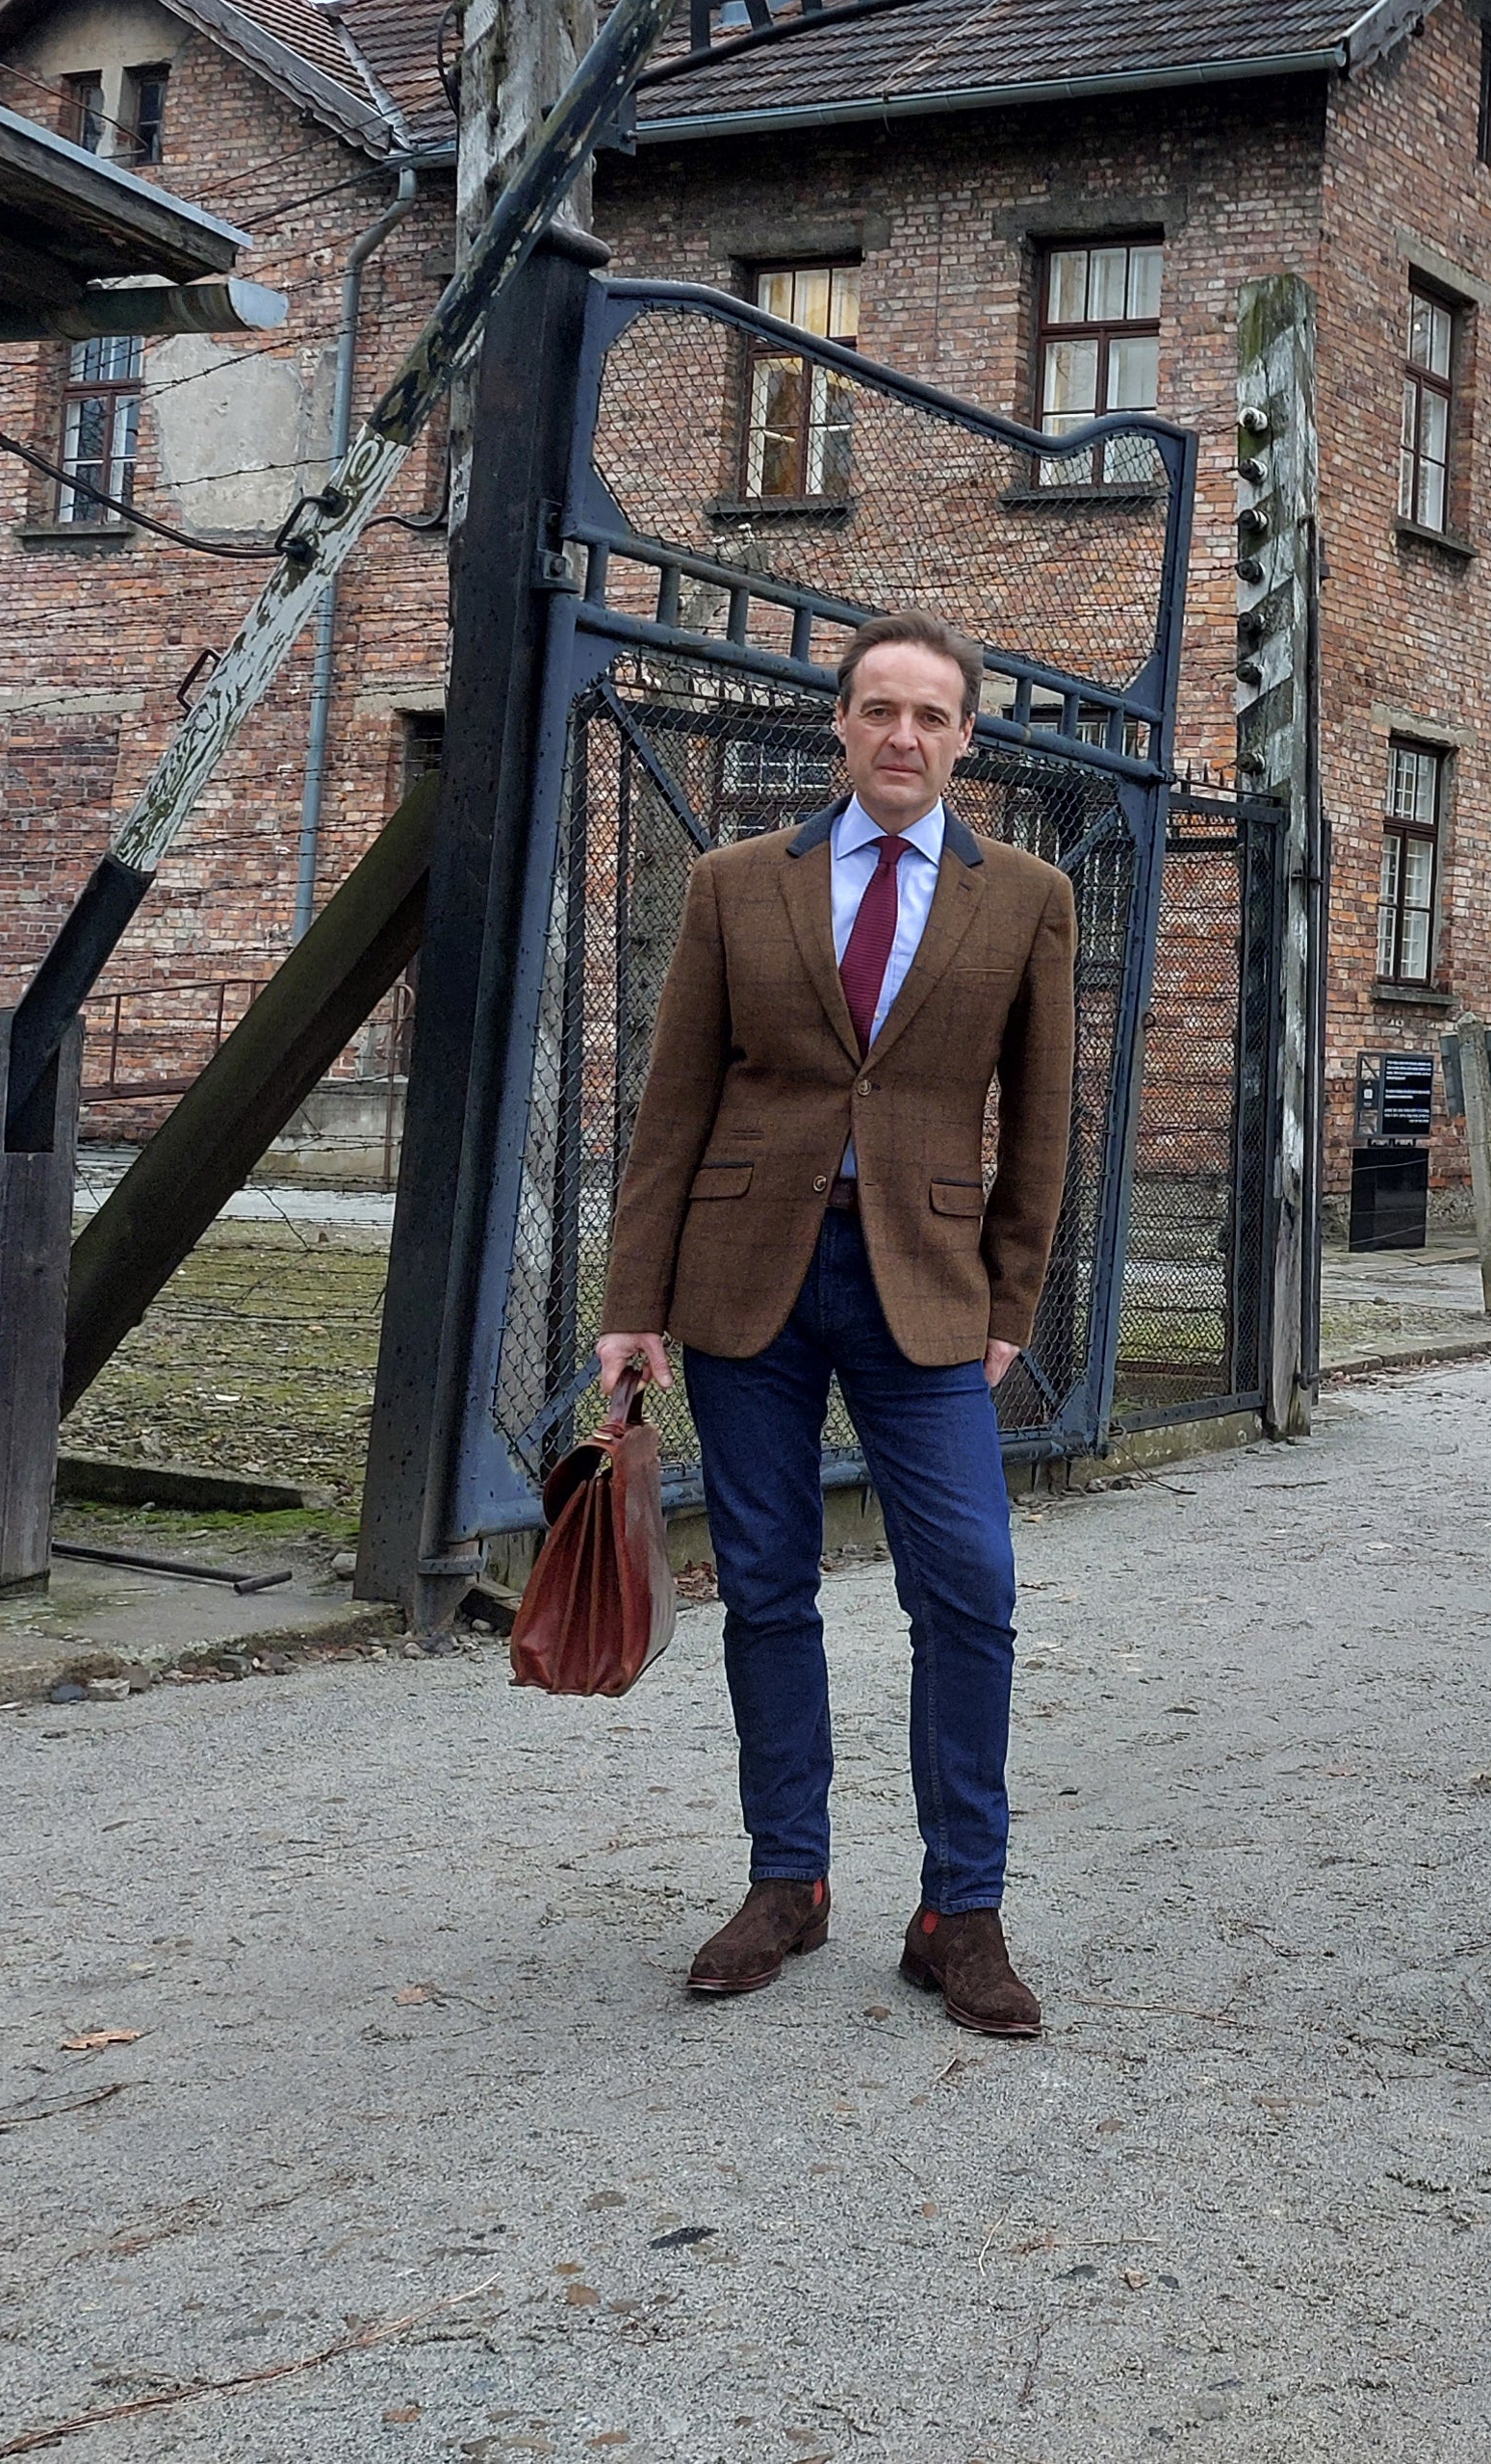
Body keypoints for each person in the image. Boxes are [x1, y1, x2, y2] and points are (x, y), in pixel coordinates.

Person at [594, 611, 1079, 2032]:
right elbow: (672, 1103)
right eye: (878, 710)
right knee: (765, 1583)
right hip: (745, 1275)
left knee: (970, 1590)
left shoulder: (1028, 898)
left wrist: (1013, 1295)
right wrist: (634, 1303)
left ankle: (960, 1908)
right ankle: (787, 1882)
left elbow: (1041, 1121)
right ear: (839, 725)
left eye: (931, 716)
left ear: (967, 738)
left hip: (926, 1286)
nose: (902, 737)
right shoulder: (739, 883)